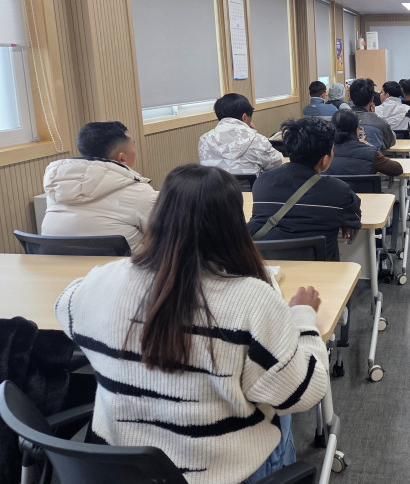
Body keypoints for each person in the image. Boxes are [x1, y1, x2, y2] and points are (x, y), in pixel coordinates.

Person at [54, 164, 329, 483]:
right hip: (219, 472)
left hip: (121, 468)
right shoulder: (253, 298)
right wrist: (303, 318)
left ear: (158, 215)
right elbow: (304, 392)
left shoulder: (101, 280)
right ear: (233, 224)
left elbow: (64, 307)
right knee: (276, 402)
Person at [248, 118, 361, 260]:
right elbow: (355, 219)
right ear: (324, 160)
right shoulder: (338, 190)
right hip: (321, 269)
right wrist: (343, 221)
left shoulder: (262, 182)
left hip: (269, 267)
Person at [41, 121, 157, 253]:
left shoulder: (58, 190)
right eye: (133, 147)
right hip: (122, 266)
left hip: (58, 266)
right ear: (122, 158)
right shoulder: (140, 193)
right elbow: (168, 238)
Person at [198, 93, 284, 176]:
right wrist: (250, 132)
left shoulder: (204, 140)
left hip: (215, 186)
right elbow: (277, 163)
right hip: (250, 187)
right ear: (244, 117)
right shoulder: (257, 140)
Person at [326, 110, 403, 176]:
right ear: (357, 130)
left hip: (331, 189)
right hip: (361, 189)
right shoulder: (371, 153)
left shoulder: (324, 151)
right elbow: (397, 170)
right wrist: (371, 148)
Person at [349, 79, 396, 151]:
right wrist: (373, 116)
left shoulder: (340, 120)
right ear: (372, 99)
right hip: (373, 157)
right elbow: (391, 141)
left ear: (350, 98)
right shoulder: (380, 122)